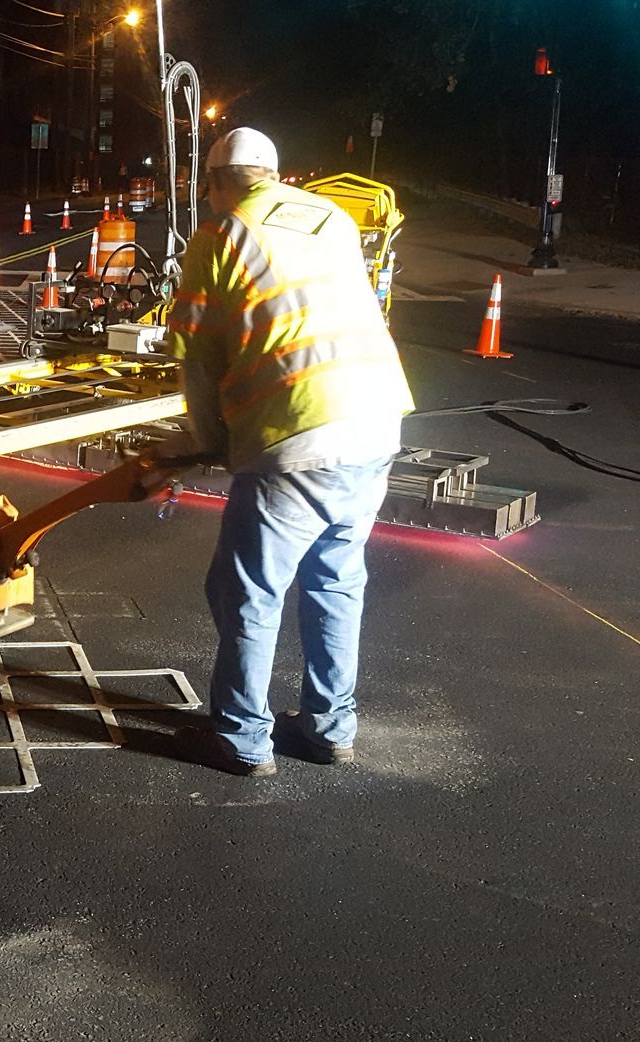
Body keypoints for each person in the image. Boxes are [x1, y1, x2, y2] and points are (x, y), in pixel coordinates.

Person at [163, 127, 414, 777]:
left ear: (217, 184)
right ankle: (329, 727)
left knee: (246, 590)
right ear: (272, 174)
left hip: (298, 430)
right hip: (377, 417)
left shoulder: (220, 235)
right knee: (336, 579)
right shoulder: (330, 215)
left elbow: (194, 350)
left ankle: (241, 738)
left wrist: (208, 440)